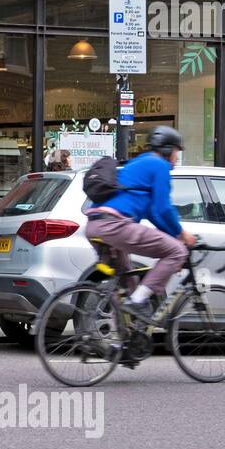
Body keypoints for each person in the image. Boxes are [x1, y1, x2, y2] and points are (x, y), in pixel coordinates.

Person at [84, 126, 196, 325]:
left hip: (95, 224)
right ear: (168, 150)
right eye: (177, 152)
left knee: (128, 283)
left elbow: (153, 212)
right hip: (115, 225)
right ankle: (137, 302)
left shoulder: (139, 162)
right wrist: (181, 235)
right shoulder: (159, 165)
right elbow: (163, 208)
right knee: (177, 252)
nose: (177, 158)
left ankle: (124, 344)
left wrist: (173, 235)